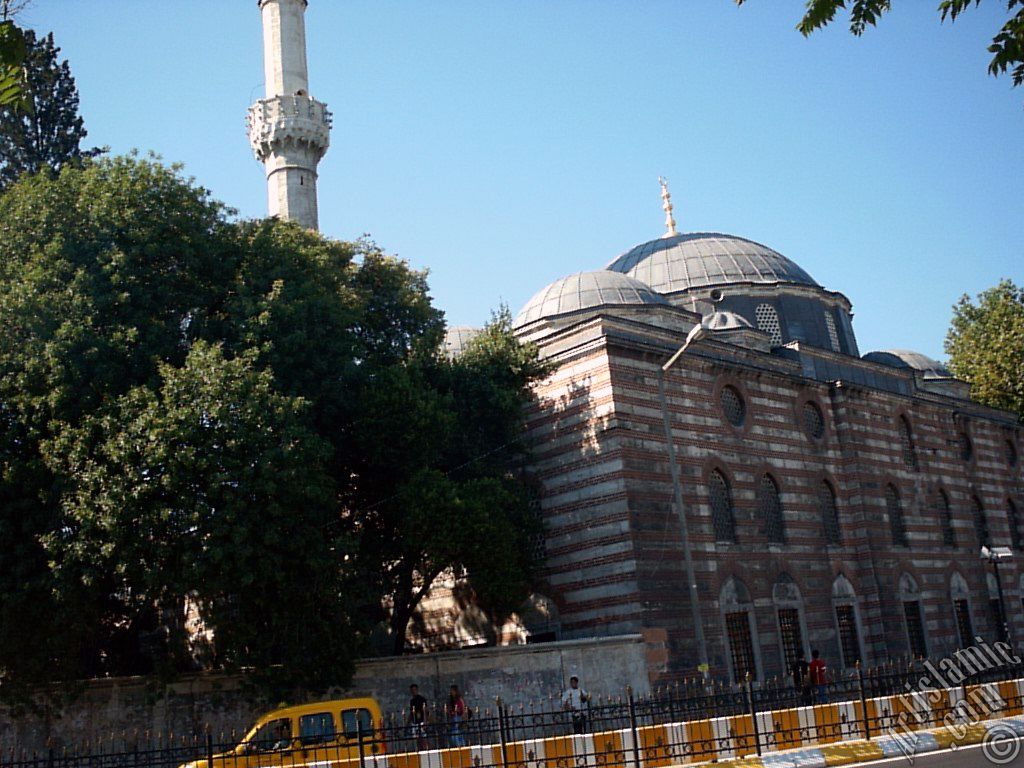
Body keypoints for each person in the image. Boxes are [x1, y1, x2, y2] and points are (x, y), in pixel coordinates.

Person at [408, 683, 429, 749]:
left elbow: (425, 710)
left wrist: (425, 721)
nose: (413, 691)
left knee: (423, 738)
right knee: (417, 738)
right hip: (415, 721)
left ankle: (426, 749)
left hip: (422, 720)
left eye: (415, 690)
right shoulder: (412, 701)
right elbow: (411, 712)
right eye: (412, 690)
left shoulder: (422, 699)